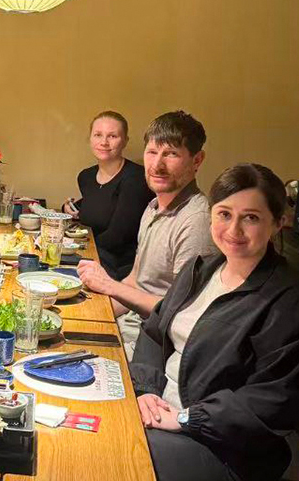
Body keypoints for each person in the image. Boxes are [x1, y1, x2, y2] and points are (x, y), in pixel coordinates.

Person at [129, 164, 299, 481]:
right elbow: (154, 333)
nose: (234, 230)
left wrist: (188, 418)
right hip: (161, 418)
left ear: (278, 222)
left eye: (251, 217)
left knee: (106, 468)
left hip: (228, 454)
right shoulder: (200, 270)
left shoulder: (290, 302)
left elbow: (277, 398)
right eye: (224, 214)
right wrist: (145, 390)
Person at [77, 110, 217, 360]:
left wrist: (108, 285)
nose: (157, 165)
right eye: (152, 152)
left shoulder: (197, 220)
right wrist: (91, 315)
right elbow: (134, 281)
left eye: (171, 154)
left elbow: (182, 314)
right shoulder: (153, 207)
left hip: (153, 346)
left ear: (197, 160)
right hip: (128, 326)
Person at [62, 110, 152, 279]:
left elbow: (118, 237)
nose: (104, 142)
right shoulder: (86, 176)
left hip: (120, 269)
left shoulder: (136, 179)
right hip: (90, 258)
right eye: (98, 135)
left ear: (125, 141)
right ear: (90, 138)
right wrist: (68, 208)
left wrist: (75, 247)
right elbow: (99, 203)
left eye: (112, 136)